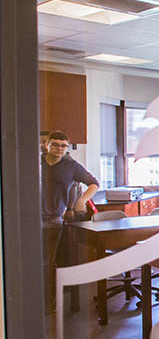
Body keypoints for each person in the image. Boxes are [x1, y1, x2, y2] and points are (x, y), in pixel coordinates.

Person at [41, 131, 99, 312]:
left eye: (63, 146)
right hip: (28, 220)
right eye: (55, 144)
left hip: (53, 220)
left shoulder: (71, 165)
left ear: (67, 148)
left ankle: (49, 304)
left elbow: (94, 183)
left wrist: (81, 201)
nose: (59, 148)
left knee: (48, 262)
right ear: (47, 145)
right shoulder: (35, 161)